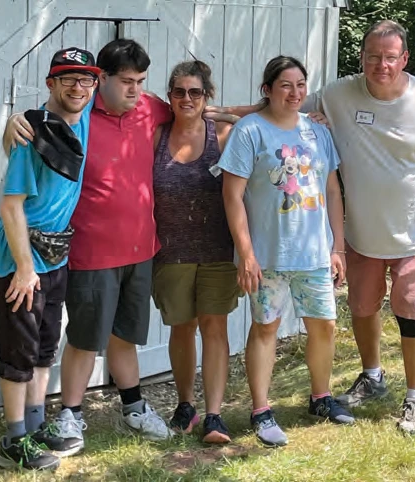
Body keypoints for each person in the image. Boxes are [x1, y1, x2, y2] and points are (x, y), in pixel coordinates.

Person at [301, 20, 415, 435]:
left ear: (405, 59)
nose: (381, 65)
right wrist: (213, 112)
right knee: (361, 309)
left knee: (412, 314)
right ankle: (372, 375)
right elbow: (281, 110)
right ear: (361, 57)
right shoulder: (338, 94)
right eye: (373, 56)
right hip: (360, 234)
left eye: (390, 57)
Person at [4, 39, 176, 449]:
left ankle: (133, 407)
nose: (136, 90)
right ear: (103, 80)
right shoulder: (79, 117)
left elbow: (193, 110)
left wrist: (269, 111)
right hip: (91, 250)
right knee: (84, 338)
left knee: (125, 336)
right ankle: (70, 414)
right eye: (127, 82)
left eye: (141, 81)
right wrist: (11, 121)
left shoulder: (149, 108)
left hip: (141, 247)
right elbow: (32, 133)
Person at [216, 55, 355, 448]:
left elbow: (331, 190)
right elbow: (232, 196)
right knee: (266, 329)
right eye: (285, 86)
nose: (294, 94)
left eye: (300, 85)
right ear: (267, 91)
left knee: (324, 325)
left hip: (314, 254)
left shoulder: (317, 133)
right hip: (268, 256)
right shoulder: (250, 131)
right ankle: (261, 409)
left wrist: (337, 246)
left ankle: (321, 397)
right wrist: (246, 253)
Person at [0, 47, 100, 470]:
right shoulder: (30, 135)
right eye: (67, 78)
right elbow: (10, 206)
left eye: (85, 79)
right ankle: (14, 441)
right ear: (50, 83)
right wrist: (24, 267)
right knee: (18, 351)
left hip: (54, 255)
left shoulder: (83, 118)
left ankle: (36, 427)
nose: (78, 87)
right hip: (21, 259)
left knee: (43, 348)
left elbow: (134, 93)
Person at [151, 60, 239, 443]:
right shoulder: (155, 134)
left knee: (214, 328)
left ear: (208, 96)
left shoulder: (223, 132)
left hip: (218, 249)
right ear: (169, 96)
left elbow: (274, 111)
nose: (187, 99)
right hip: (169, 252)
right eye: (179, 92)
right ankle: (186, 404)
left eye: (195, 92)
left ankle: (215, 415)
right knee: (181, 328)